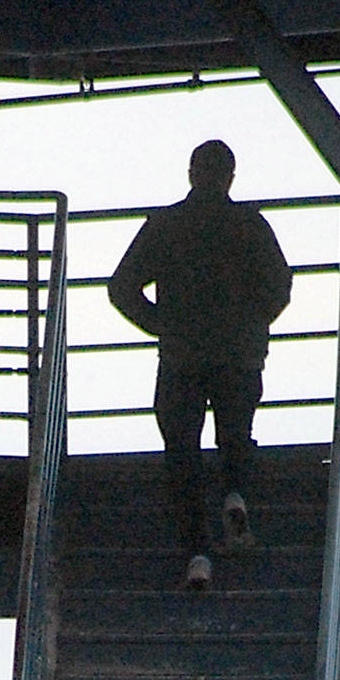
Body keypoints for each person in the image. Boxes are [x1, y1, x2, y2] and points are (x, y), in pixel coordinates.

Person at [107, 138, 293, 590]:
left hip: (182, 355)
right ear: (231, 177)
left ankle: (198, 555)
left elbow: (121, 286)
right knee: (235, 433)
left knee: (182, 450)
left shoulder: (166, 224)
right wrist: (253, 325)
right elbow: (280, 285)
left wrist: (160, 324)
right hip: (239, 354)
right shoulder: (250, 224)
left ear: (191, 174)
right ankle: (235, 495)